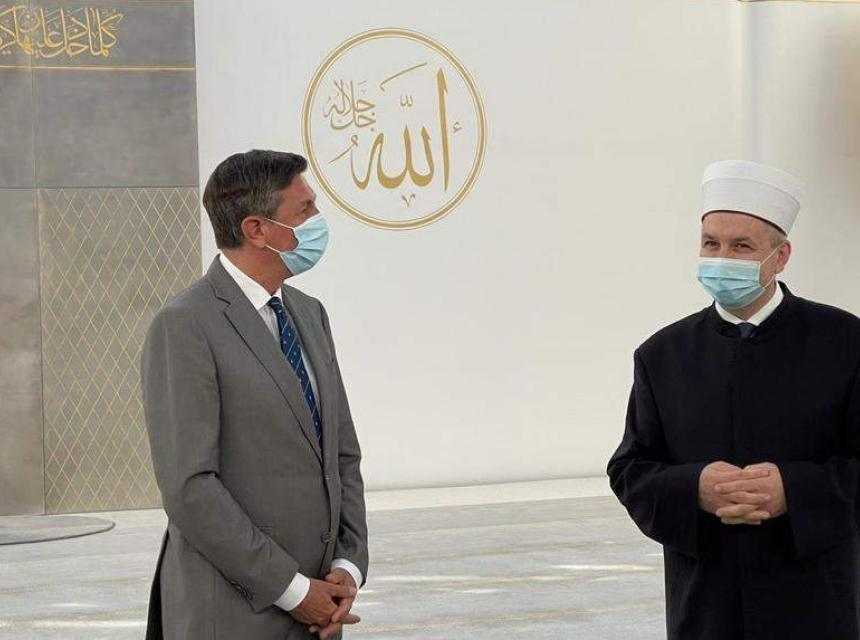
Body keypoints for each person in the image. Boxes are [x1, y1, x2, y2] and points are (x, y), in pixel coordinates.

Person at [608, 160, 860, 639]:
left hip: (815, 600)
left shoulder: (846, 342)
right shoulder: (662, 355)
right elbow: (630, 469)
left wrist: (795, 490)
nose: (722, 258)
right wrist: (694, 487)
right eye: (711, 244)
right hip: (705, 602)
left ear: (781, 256)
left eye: (741, 246)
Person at [141, 149, 368, 640]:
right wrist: (292, 590)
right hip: (231, 614)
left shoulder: (310, 314)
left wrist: (348, 564)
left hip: (321, 609)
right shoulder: (185, 325)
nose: (318, 220)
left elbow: (341, 454)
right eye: (304, 209)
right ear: (257, 229)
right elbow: (190, 489)